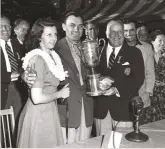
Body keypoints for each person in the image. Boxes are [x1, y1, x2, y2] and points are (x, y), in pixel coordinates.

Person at [16, 18, 70, 147]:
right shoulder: (38, 58)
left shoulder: (52, 56)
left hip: (49, 112)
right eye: (49, 34)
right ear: (39, 37)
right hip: (38, 116)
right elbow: (36, 98)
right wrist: (60, 94)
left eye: (55, 34)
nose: (54, 38)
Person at [94, 20, 145, 136]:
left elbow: (138, 79)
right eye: (113, 32)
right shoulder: (96, 51)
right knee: (103, 145)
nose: (117, 35)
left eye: (120, 32)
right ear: (107, 34)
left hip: (124, 110)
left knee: (123, 145)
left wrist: (116, 89)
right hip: (101, 110)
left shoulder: (135, 53)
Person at [55, 11, 94, 144]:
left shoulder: (87, 47)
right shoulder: (55, 48)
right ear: (64, 26)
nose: (76, 29)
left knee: (86, 144)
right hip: (67, 108)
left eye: (80, 26)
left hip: (87, 106)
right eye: (72, 25)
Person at [123, 20, 155, 109]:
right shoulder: (118, 48)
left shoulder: (147, 47)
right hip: (123, 98)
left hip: (142, 96)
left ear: (136, 30)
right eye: (125, 30)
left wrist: (147, 93)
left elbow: (150, 72)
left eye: (131, 30)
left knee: (141, 122)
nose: (128, 33)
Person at [0, 15, 23, 121]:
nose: (4, 29)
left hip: (18, 88)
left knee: (18, 118)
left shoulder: (16, 44)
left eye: (7, 26)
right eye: (1, 26)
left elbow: (24, 63)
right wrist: (9, 76)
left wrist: (21, 73)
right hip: (2, 89)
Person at [144, 29, 165, 124]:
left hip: (163, 94)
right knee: (150, 121)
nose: (163, 43)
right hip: (150, 95)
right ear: (152, 41)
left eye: (164, 41)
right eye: (160, 40)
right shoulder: (147, 55)